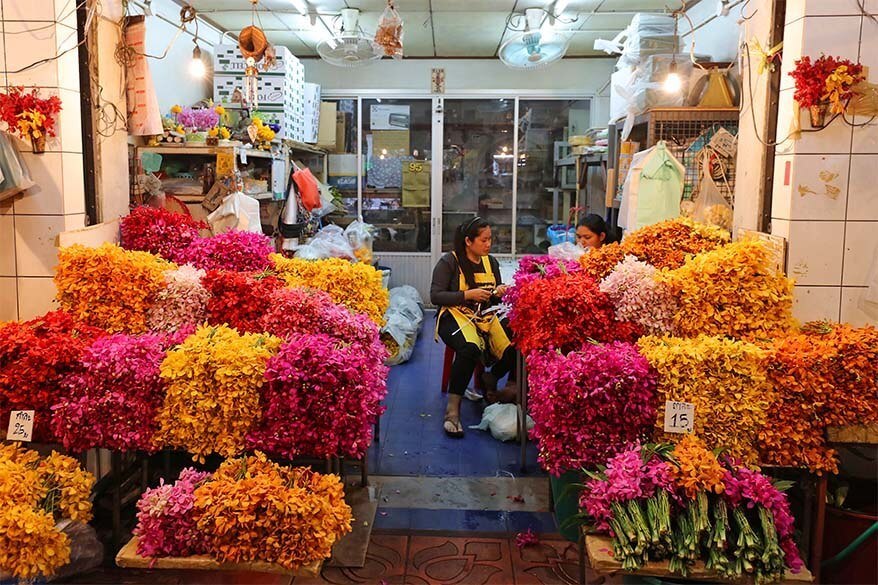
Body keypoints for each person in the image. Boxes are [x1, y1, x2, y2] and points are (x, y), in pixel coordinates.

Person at [431, 217, 517, 438]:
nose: (488, 244)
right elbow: (435, 295)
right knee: (469, 348)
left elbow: (495, 302)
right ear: (468, 241)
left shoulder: (491, 262)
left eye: (490, 239)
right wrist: (466, 295)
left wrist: (499, 293)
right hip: (454, 315)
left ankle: (493, 377)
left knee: (518, 339)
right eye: (484, 240)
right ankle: (452, 410)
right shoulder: (449, 262)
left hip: (485, 316)